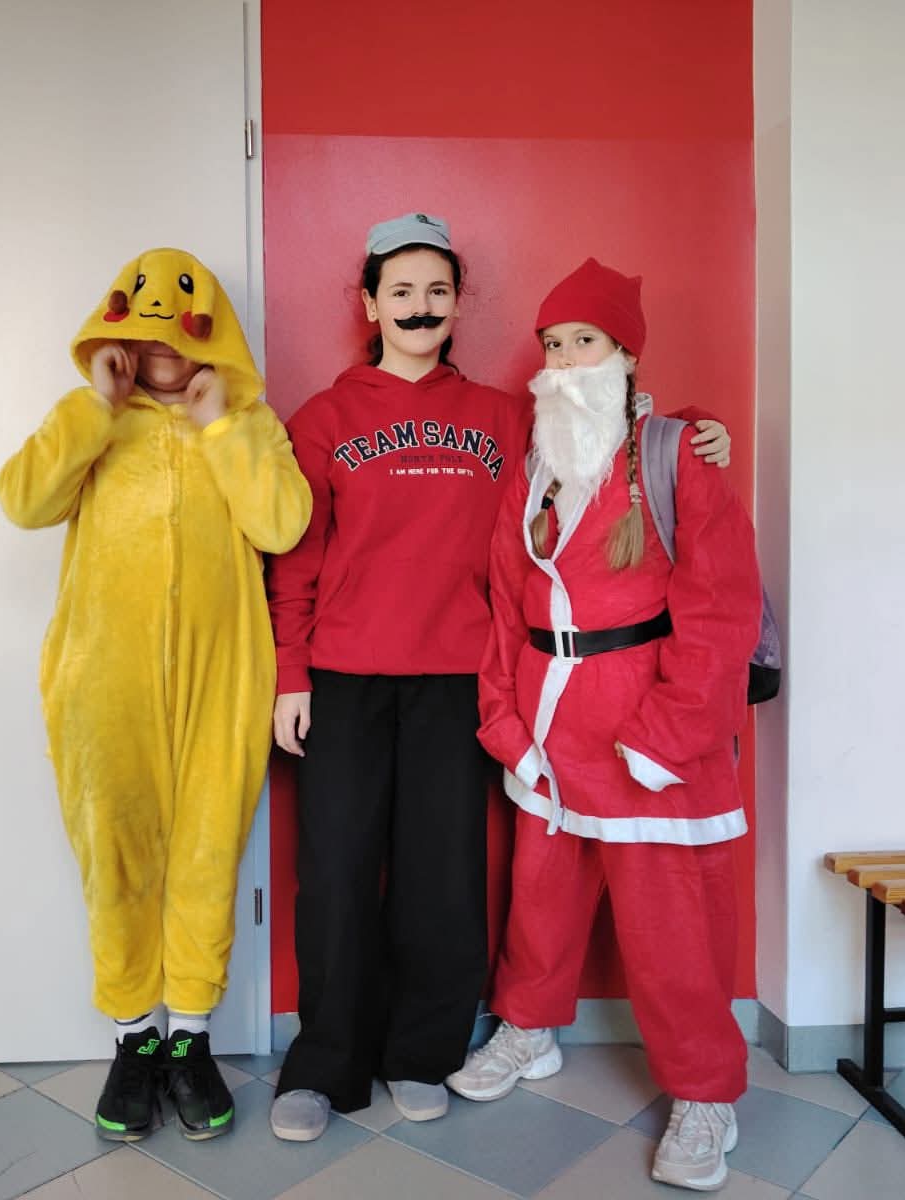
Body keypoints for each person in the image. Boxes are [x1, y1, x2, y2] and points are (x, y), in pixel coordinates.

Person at [265, 219, 732, 1143]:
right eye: (401, 291)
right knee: (336, 876)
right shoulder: (320, 419)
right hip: (344, 678)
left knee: (445, 880)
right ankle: (325, 1066)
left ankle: (421, 1054)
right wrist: (291, 673)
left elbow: (599, 435)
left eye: (437, 291)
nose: (420, 307)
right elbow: (297, 561)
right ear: (369, 304)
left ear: (456, 304)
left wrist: (696, 428)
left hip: (459, 679)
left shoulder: (502, 416)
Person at [447, 258, 762, 1193]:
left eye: (583, 342)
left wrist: (669, 734)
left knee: (671, 925)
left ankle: (705, 1092)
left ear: (624, 354)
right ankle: (529, 1029)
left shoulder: (678, 456)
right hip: (550, 717)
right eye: (552, 345)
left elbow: (720, 608)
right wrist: (505, 719)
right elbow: (504, 602)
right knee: (541, 896)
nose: (563, 361)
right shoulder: (533, 467)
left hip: (648, 726)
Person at [0, 248, 311, 1143]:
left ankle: (191, 1038)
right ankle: (134, 1036)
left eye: (181, 326)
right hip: (105, 678)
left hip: (223, 677)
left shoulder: (249, 422)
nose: (164, 345)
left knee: (210, 850)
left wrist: (221, 428)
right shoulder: (96, 418)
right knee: (116, 850)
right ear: (118, 335)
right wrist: (94, 407)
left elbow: (282, 522)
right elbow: (23, 501)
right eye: (145, 328)